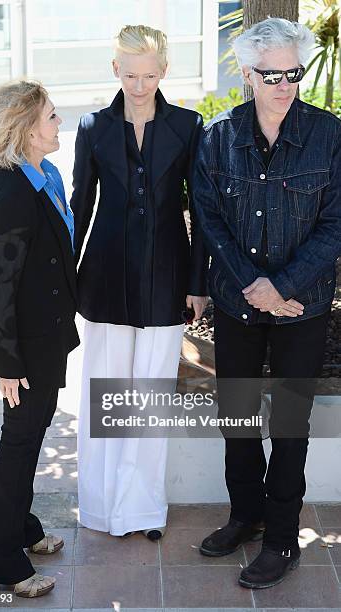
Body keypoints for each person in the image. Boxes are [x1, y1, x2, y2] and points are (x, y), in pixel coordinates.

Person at [193, 17, 341, 588]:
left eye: (293, 73)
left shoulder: (330, 136)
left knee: (288, 424)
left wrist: (283, 287)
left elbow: (334, 226)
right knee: (236, 417)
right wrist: (254, 284)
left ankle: (282, 539)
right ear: (248, 74)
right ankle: (245, 516)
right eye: (271, 74)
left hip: (303, 309)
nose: (284, 84)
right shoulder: (216, 136)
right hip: (237, 304)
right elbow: (208, 219)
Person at [71, 25, 208, 539]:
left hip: (168, 279)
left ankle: (144, 510)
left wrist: (198, 284)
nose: (140, 84)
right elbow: (79, 206)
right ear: (115, 70)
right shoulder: (92, 128)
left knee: (149, 400)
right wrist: (66, 283)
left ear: (164, 71)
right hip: (105, 278)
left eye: (149, 75)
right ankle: (104, 507)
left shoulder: (189, 126)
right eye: (130, 74)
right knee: (108, 399)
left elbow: (204, 212)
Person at [0, 80, 80, 598]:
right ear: (28, 128)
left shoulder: (40, 174)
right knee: (19, 443)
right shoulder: (12, 190)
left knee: (30, 438)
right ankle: (2, 564)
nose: (59, 123)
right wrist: (7, 364)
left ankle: (23, 531)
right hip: (24, 347)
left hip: (43, 334)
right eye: (52, 116)